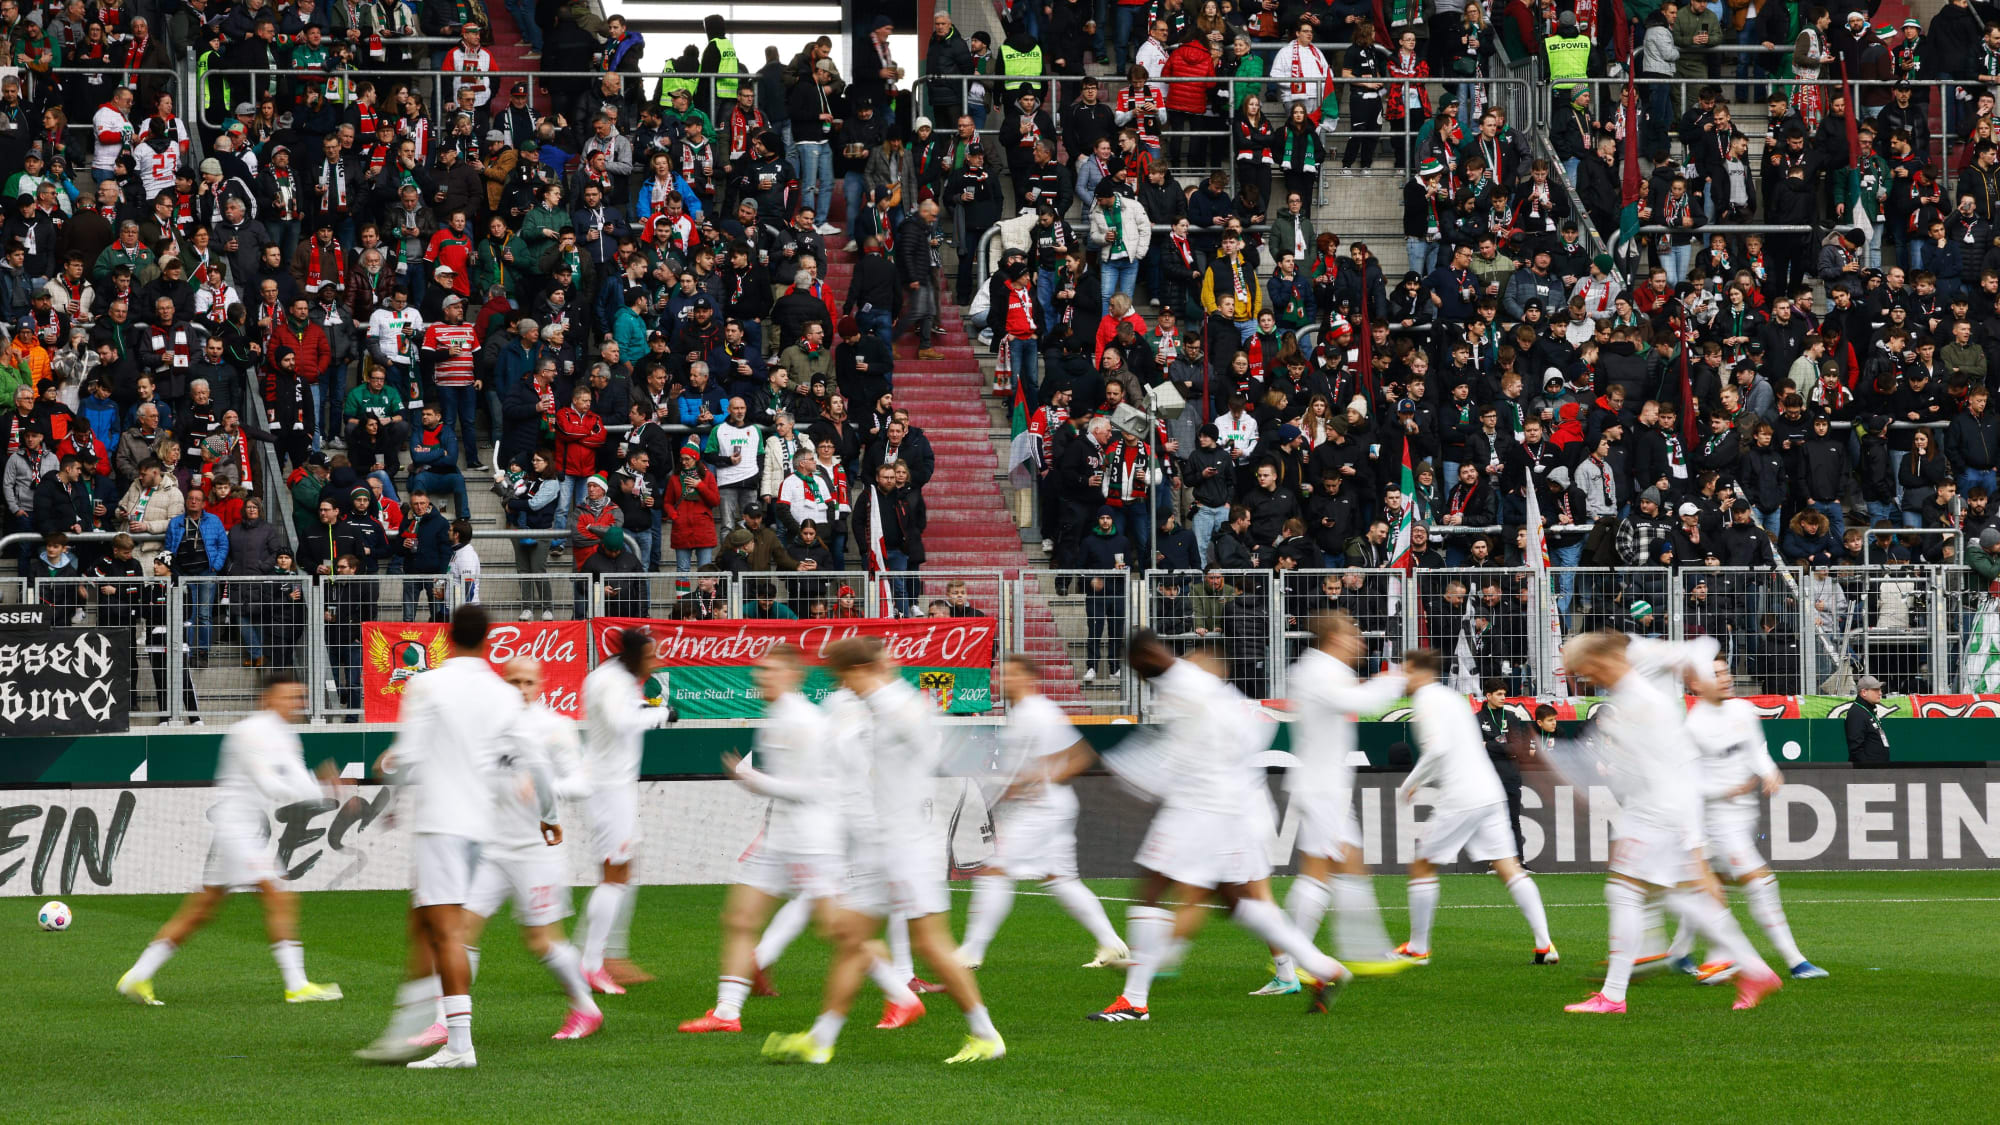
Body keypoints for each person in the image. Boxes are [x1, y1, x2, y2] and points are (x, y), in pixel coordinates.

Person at [762, 635, 1005, 1065]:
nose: (840, 686)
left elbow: (934, 750)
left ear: (857, 672)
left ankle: (986, 1035)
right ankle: (820, 1040)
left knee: (931, 944)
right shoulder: (871, 706)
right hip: (879, 845)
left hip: (906, 847)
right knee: (850, 939)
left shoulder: (899, 706)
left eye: (841, 677)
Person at [1088, 631, 1352, 1023]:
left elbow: (1164, 755)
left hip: (1200, 809)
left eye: (1136, 667)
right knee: (1238, 901)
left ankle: (1134, 1001)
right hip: (1231, 807)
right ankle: (1323, 968)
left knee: (1152, 889)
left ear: (1143, 662)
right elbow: (1253, 727)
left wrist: (1117, 769)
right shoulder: (1200, 684)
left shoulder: (1182, 685)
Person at [1557, 631, 1784, 1015]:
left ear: (1598, 663)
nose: (1584, 680)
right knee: (1679, 895)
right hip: (1663, 809)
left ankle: (1613, 997)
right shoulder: (1638, 695)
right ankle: (1754, 969)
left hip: (1658, 811)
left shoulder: (1638, 702)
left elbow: (1637, 774)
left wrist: (1558, 767)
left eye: (1582, 672)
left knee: (1627, 893)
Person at [357, 606, 526, 1069]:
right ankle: (404, 1032)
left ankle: (458, 1045)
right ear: (489, 639)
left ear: (448, 636)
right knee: (425, 925)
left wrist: (388, 794)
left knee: (444, 932)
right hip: (481, 825)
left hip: (441, 823)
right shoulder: (503, 693)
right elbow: (514, 760)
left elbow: (405, 755)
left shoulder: (427, 684)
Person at [116, 671, 343, 1007]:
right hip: (237, 829)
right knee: (279, 896)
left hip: (243, 830)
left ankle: (136, 977)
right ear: (267, 699)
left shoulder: (287, 735)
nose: (298, 703)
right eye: (290, 696)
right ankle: (296, 985)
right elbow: (270, 785)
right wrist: (319, 784)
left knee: (201, 910)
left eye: (300, 697)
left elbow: (297, 780)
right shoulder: (249, 733)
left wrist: (322, 787)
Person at [678, 645, 841, 1034]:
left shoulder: (805, 722)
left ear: (791, 675)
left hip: (810, 841)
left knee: (841, 930)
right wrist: (756, 783)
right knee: (739, 918)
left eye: (768, 670)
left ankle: (901, 995)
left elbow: (819, 789)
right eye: (759, 669)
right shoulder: (775, 716)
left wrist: (754, 780)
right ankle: (727, 1013)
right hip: (779, 839)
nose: (759, 676)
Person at [1259, 612, 1411, 995]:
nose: (1360, 642)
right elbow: (1357, 699)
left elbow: (1353, 693)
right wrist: (1396, 678)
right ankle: (1364, 951)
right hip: (1322, 787)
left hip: (1323, 785)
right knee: (1349, 864)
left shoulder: (1322, 669)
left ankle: (1290, 967)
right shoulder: (1316, 672)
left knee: (1317, 873)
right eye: (1353, 635)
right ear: (1334, 638)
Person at [956, 653, 1130, 971]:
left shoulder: (1038, 713)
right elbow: (1078, 754)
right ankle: (1112, 944)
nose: (1001, 680)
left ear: (1028, 678)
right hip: (1049, 806)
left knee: (994, 869)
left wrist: (1037, 781)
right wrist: (1037, 778)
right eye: (1000, 675)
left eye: (1009, 675)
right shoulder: (1029, 712)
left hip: (1042, 809)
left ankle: (971, 951)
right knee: (1061, 879)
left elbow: (1078, 757)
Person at [462, 657, 604, 1040]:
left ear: (540, 684)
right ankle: (447, 1022)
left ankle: (585, 1008)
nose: (521, 689)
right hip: (491, 850)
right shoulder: (487, 727)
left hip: (537, 851)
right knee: (460, 932)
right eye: (513, 681)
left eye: (528, 682)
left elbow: (581, 783)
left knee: (541, 941)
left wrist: (546, 789)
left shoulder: (555, 727)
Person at [1665, 657, 1828, 981]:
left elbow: (1757, 750)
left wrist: (1769, 772)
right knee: (1762, 883)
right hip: (1716, 822)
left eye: (1726, 672)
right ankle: (1794, 961)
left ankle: (1680, 953)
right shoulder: (1694, 728)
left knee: (1713, 884)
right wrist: (1725, 789)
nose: (1726, 679)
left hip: (1743, 815)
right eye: (1716, 675)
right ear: (1696, 685)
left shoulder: (1742, 710)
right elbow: (1686, 783)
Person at [1395, 648, 1557, 965]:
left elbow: (1439, 749)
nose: (1402, 676)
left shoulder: (1427, 701)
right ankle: (1544, 944)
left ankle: (1417, 949)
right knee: (1509, 868)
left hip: (1462, 796)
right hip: (1489, 791)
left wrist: (1411, 781)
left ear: (1418, 670)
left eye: (1405, 670)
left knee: (1422, 867)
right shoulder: (1453, 699)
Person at [577, 624, 679, 994]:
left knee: (620, 872)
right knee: (615, 875)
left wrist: (649, 709)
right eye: (652, 656)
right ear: (636, 656)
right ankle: (591, 963)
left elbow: (621, 714)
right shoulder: (611, 682)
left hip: (614, 785)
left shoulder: (612, 678)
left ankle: (600, 957)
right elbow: (622, 723)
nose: (657, 662)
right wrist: (661, 714)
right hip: (608, 788)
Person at [1844, 673, 1889, 763]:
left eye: (1880, 689)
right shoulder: (1856, 713)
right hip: (1868, 772)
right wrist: (1868, 769)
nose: (1880, 693)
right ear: (1864, 692)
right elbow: (1856, 749)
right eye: (1876, 690)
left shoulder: (1868, 710)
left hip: (1877, 770)